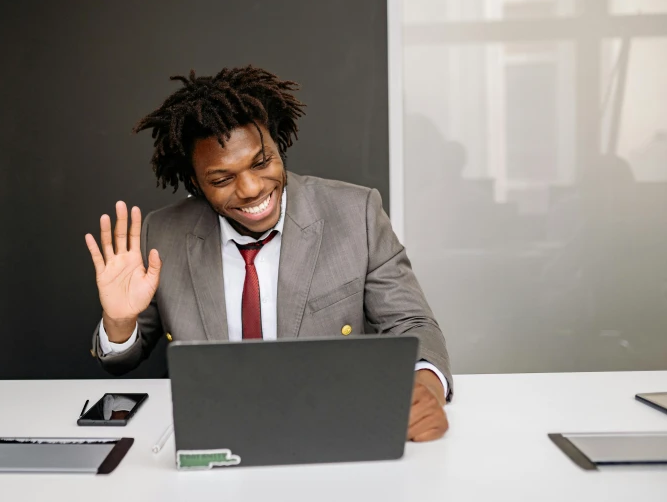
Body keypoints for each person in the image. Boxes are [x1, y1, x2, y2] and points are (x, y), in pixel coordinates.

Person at [85, 66, 452, 442]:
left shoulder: (355, 212)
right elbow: (122, 361)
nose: (251, 188)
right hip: (214, 431)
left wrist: (426, 389)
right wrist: (118, 322)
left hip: (329, 426)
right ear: (195, 183)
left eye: (262, 162)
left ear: (279, 146)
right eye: (223, 179)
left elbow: (411, 322)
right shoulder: (163, 233)